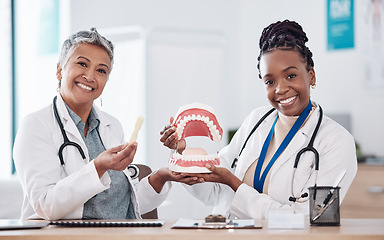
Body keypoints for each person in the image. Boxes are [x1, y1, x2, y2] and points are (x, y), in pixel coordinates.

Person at [160, 20, 358, 219]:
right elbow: (215, 192)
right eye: (270, 81)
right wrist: (183, 152)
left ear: (311, 76)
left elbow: (312, 218)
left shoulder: (336, 142)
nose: (280, 89)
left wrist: (235, 184)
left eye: (290, 76)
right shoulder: (256, 120)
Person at [13, 28, 197, 220]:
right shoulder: (36, 125)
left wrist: (160, 177)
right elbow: (45, 205)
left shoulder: (111, 126)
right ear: (59, 70)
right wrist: (98, 167)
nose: (90, 76)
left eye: (101, 70)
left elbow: (122, 204)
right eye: (82, 64)